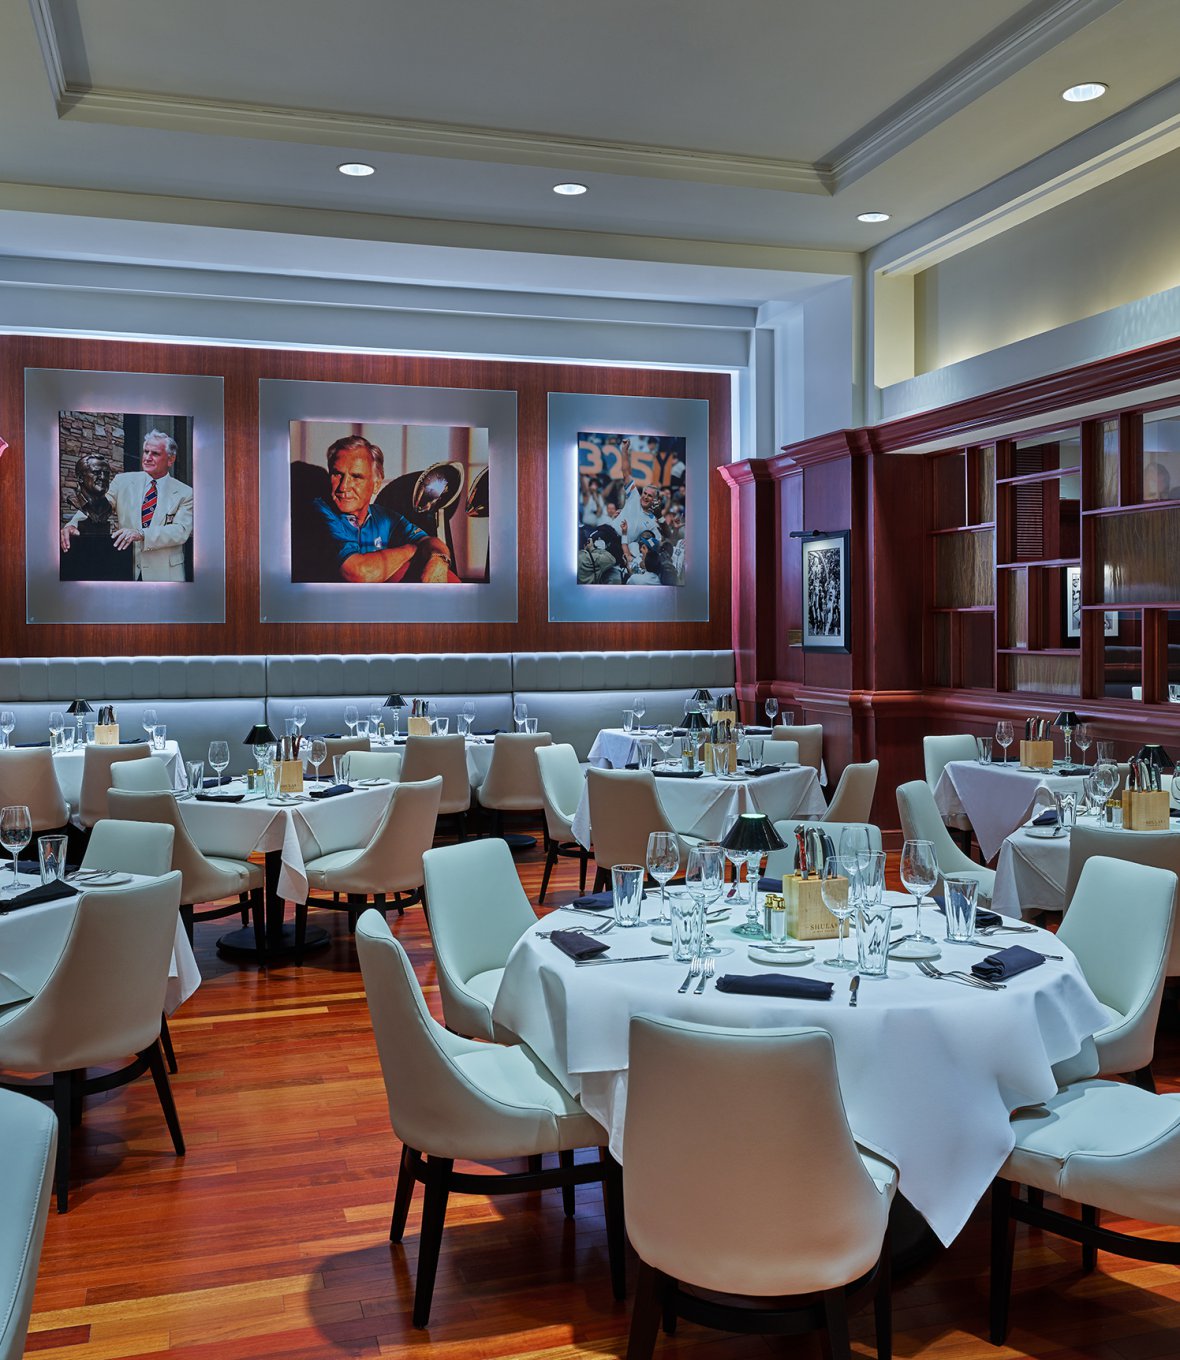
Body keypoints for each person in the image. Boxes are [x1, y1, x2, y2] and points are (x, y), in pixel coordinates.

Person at [309, 435, 454, 583]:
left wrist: (439, 559)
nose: (343, 486)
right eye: (337, 474)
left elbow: (429, 541)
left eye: (356, 477)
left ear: (376, 484)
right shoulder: (319, 512)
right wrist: (412, 549)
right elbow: (358, 573)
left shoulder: (384, 516)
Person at [60, 429, 193, 581]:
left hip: (166, 575)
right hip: (126, 570)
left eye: (155, 453)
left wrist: (141, 534)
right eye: (146, 452)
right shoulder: (122, 481)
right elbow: (98, 506)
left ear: (171, 459)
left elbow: (180, 531)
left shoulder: (186, 493)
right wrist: (73, 524)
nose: (147, 458)